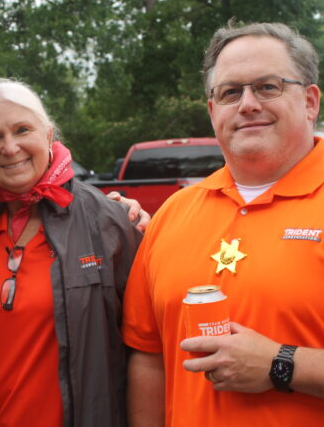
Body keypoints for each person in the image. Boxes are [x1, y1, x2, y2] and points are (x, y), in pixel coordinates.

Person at [122, 21, 324, 426]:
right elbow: (149, 360)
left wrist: (280, 364)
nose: (248, 104)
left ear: (310, 101)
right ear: (213, 111)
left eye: (268, 87)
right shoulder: (173, 214)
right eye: (231, 92)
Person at [0, 79, 142, 427]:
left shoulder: (109, 221)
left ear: (48, 136)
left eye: (22, 129)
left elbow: (147, 349)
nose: (11, 147)